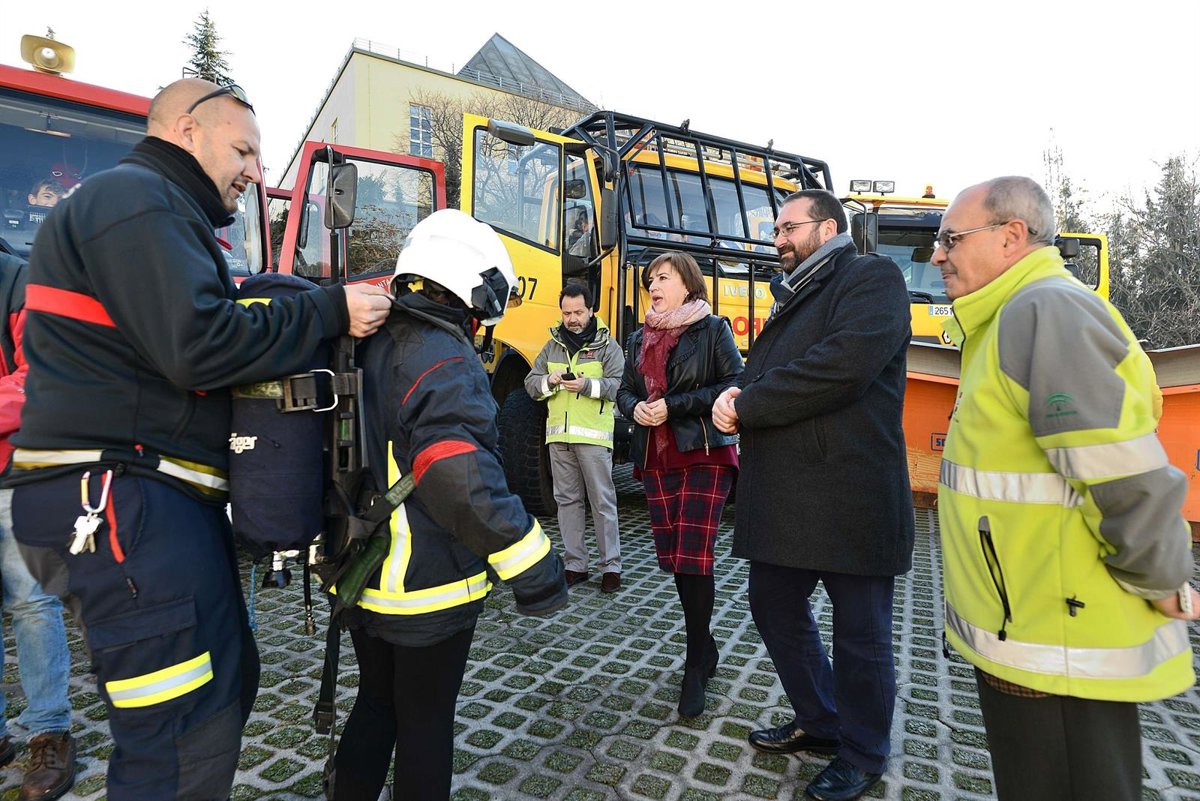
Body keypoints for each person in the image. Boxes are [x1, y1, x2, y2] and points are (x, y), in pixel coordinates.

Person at [5, 78, 392, 800]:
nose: (254, 170)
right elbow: (200, 343)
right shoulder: (138, 201)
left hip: (151, 499)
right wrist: (329, 309)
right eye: (242, 150)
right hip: (125, 498)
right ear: (186, 131)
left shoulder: (156, 210)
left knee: (225, 684)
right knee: (182, 732)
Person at [929, 176, 1198, 801]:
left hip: (1060, 642)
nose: (937, 254)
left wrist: (1162, 579)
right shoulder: (1010, 317)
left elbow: (1121, 471)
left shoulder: (1044, 312)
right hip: (1033, 628)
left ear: (1011, 236)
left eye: (950, 239)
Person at [331, 209, 567, 801]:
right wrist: (535, 567)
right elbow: (458, 477)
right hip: (425, 586)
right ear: (470, 288)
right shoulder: (444, 358)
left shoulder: (367, 340)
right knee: (425, 723)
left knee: (376, 703)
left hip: (360, 572)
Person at [712, 189, 913, 801]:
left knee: (861, 636)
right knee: (772, 603)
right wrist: (734, 393)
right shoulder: (794, 294)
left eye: (788, 227)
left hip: (851, 497)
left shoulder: (871, 277)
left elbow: (839, 366)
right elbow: (768, 372)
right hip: (790, 498)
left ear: (827, 229)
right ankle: (822, 720)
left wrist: (750, 404)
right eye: (776, 230)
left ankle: (864, 752)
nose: (778, 239)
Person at [616, 251, 743, 718]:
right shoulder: (638, 338)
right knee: (675, 560)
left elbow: (734, 382)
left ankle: (694, 665)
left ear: (687, 284)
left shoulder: (713, 329)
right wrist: (635, 408)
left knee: (694, 555)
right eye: (650, 279)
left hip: (703, 453)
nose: (653, 285)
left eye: (663, 278)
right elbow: (624, 390)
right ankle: (705, 645)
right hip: (657, 457)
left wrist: (674, 405)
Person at [0, 251, 74, 801]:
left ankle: (49, 731)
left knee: (30, 603)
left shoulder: (19, 282)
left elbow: (44, 375)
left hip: (13, 472)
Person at [524, 283, 624, 592]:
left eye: (578, 312)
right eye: (567, 313)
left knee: (602, 502)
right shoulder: (552, 345)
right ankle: (575, 565)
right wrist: (548, 380)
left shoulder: (607, 346)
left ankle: (611, 567)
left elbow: (618, 386)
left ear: (591, 310)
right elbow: (531, 384)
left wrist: (587, 386)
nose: (572, 319)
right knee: (566, 502)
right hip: (559, 437)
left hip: (593, 438)